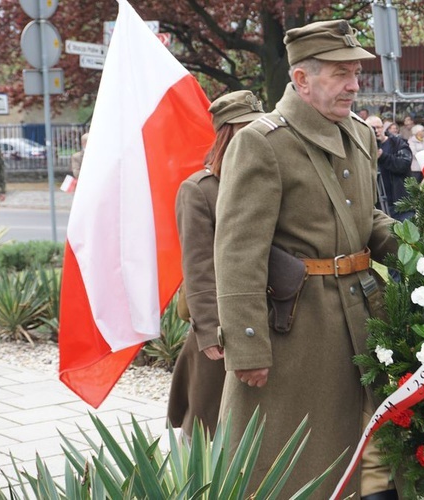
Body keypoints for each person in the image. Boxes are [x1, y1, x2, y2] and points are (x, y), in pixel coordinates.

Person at [213, 19, 399, 500]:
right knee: (296, 461)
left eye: (356, 72)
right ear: (301, 79)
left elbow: (366, 215)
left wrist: (421, 249)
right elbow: (238, 250)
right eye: (341, 73)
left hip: (363, 312)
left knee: (372, 454)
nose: (355, 85)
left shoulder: (359, 133)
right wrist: (247, 346)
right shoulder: (263, 142)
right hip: (299, 330)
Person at [167, 91, 266, 438]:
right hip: (220, 327)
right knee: (207, 424)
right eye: (244, 131)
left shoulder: (265, 184)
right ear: (227, 135)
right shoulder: (200, 190)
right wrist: (209, 330)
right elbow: (198, 266)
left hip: (262, 318)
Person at [366, 115, 413, 220]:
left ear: (383, 128)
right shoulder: (362, 147)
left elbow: (404, 164)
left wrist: (382, 157)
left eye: (378, 127)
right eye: (372, 128)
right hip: (376, 206)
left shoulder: (397, 143)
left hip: (400, 205)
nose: (376, 131)